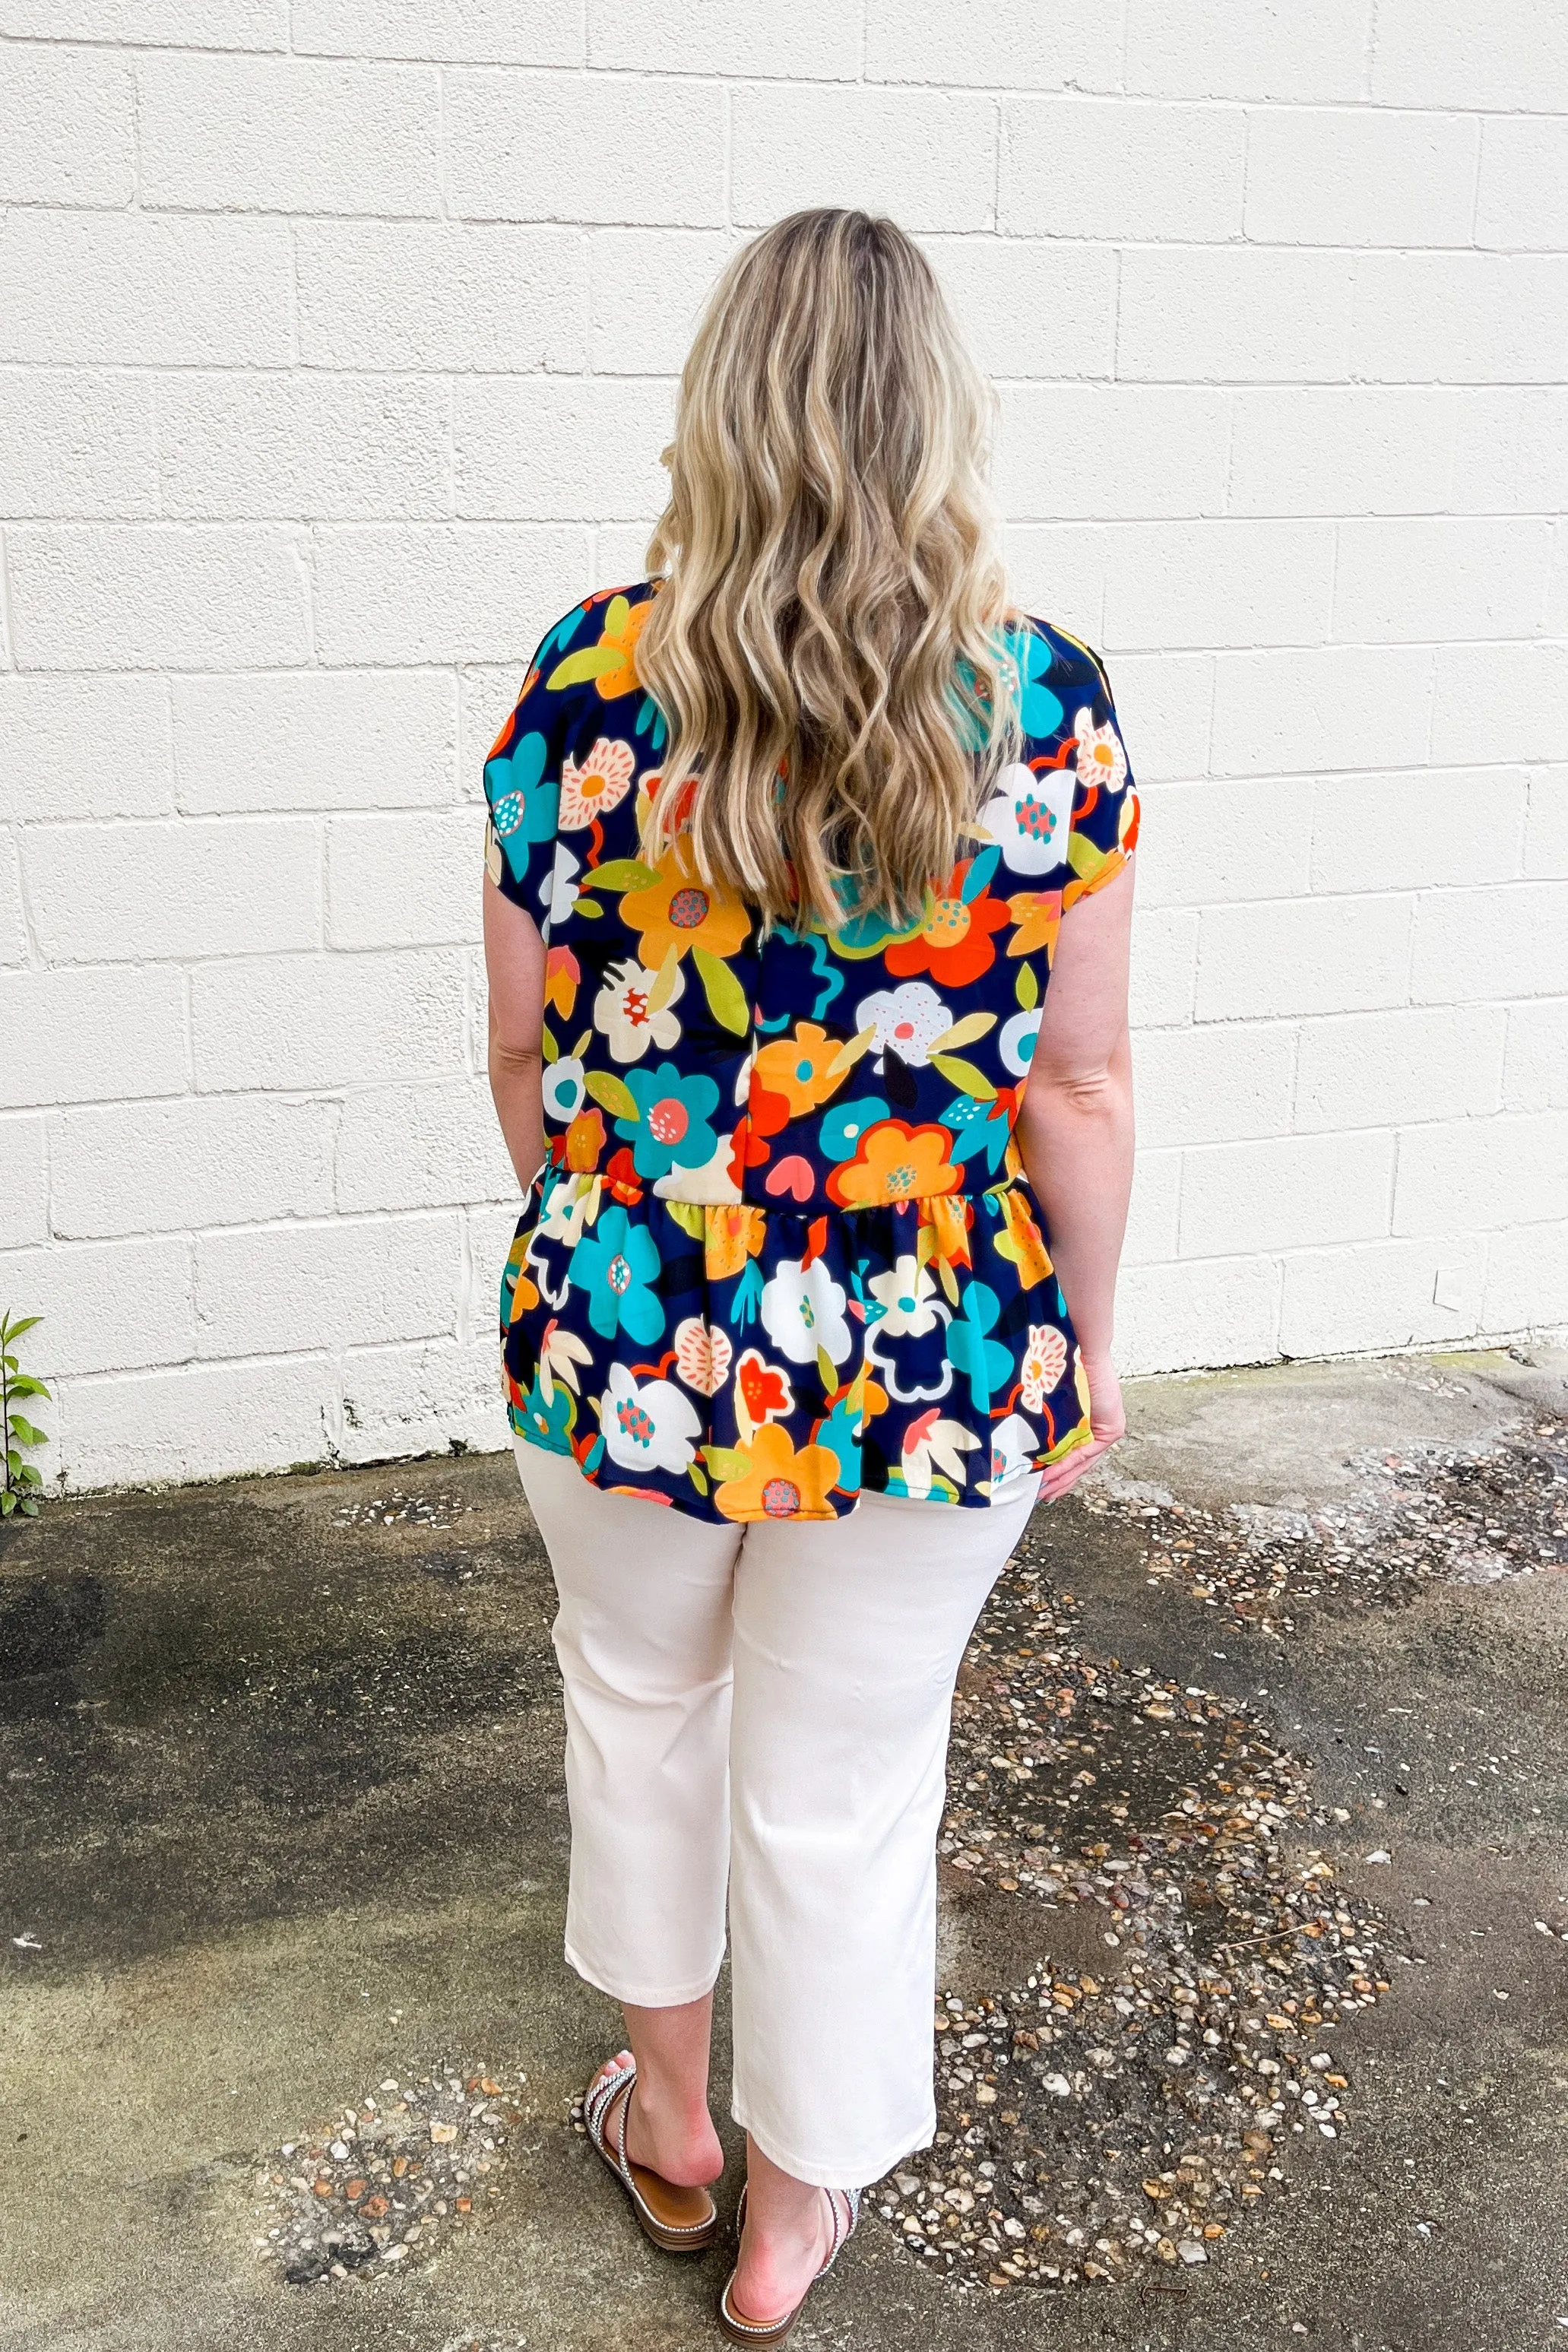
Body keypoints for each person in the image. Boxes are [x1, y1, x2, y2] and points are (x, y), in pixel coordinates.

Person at [481, 208, 1138, 2344]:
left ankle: (667, 2119)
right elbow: (1082, 1086)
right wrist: (1085, 1346)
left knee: (640, 1712)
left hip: (625, 1336)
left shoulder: (587, 676)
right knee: (843, 1782)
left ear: (718, 409)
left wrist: (610, 1248)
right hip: (931, 1358)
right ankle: (784, 2221)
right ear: (935, 416)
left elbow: (525, 1047)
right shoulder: (1039, 702)